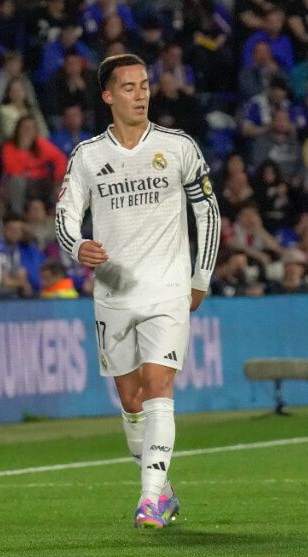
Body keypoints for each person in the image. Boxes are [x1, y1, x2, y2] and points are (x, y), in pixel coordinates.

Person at [55, 54, 221, 529]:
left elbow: (208, 212)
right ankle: (163, 491)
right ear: (108, 96)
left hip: (167, 287)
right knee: (130, 401)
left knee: (158, 386)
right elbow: (65, 214)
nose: (141, 94)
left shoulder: (179, 146)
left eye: (145, 85)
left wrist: (199, 277)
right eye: (128, 87)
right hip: (113, 294)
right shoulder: (88, 156)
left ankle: (148, 499)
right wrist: (78, 245)